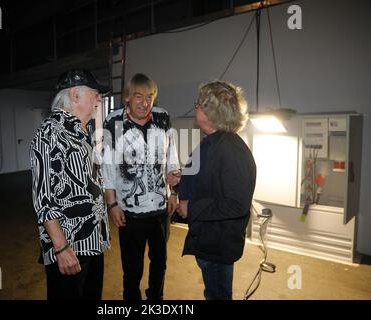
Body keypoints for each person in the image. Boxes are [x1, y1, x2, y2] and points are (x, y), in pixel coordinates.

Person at [30, 69, 111, 300]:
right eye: (95, 93)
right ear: (75, 95)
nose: (99, 99)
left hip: (93, 243)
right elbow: (43, 199)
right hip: (70, 248)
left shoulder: (82, 133)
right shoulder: (50, 133)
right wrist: (61, 248)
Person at [102, 73, 180, 300]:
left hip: (159, 209)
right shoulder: (114, 121)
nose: (145, 102)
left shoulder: (163, 117)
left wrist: (174, 192)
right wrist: (113, 204)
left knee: (160, 264)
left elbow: (171, 156)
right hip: (129, 211)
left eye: (150, 97)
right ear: (127, 98)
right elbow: (108, 166)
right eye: (138, 96)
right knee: (132, 267)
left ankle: (156, 300)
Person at [177, 80, 256, 300]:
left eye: (199, 104)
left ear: (211, 112)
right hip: (208, 238)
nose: (196, 108)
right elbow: (206, 178)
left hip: (217, 244)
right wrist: (181, 179)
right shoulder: (211, 142)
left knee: (218, 296)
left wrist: (191, 207)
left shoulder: (232, 150)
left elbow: (235, 204)